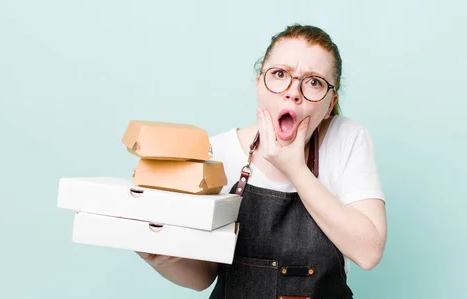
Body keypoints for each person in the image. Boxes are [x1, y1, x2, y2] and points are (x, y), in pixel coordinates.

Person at [137, 23, 387, 298]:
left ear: (330, 104)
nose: (293, 91)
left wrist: (294, 169)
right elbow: (203, 276)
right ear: (259, 84)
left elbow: (369, 252)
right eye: (280, 74)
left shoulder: (347, 139)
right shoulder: (218, 153)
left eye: (314, 82)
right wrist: (162, 258)